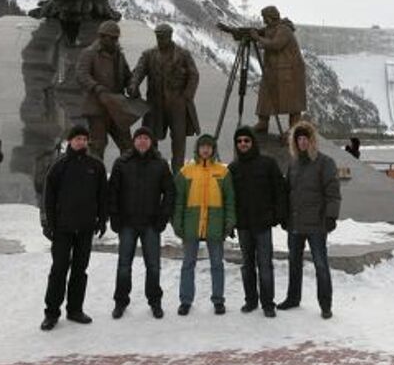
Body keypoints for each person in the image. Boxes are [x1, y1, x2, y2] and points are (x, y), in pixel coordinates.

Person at [40, 125, 108, 331]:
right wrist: (48, 224)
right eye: (78, 139)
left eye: (85, 139)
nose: (81, 142)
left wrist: (102, 220)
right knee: (59, 269)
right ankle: (51, 313)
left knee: (80, 269)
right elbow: (48, 198)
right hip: (62, 228)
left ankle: (75, 309)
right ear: (70, 141)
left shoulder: (95, 166)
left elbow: (102, 196)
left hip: (86, 227)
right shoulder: (58, 166)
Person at [108, 126, 175, 320]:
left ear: (151, 142)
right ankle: (120, 302)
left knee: (153, 266)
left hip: (151, 224)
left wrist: (163, 217)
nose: (142, 141)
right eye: (139, 138)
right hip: (127, 223)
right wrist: (114, 216)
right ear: (134, 141)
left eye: (146, 138)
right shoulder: (122, 163)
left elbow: (170, 192)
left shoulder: (161, 164)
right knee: (123, 265)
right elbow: (113, 191)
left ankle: (155, 301)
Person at [277, 121, 341, 319]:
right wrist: (284, 216)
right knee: (294, 262)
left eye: (305, 139)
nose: (302, 142)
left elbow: (333, 193)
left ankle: (325, 304)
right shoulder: (293, 164)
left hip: (316, 224)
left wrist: (331, 216)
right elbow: (288, 192)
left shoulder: (325, 163)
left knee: (320, 264)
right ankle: (293, 298)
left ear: (312, 141)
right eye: (299, 139)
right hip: (295, 224)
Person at [173, 134, 236, 316]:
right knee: (188, 264)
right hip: (191, 225)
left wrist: (229, 222)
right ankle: (185, 300)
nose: (206, 150)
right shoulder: (186, 172)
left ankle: (218, 300)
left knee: (217, 264)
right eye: (203, 146)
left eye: (209, 146)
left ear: (214, 149)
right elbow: (178, 201)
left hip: (214, 225)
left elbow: (230, 200)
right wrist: (177, 223)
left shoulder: (223, 173)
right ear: (197, 149)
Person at [228, 126, 286, 318]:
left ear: (253, 143)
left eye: (246, 140)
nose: (243, 144)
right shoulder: (233, 168)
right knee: (247, 264)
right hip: (244, 225)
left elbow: (279, 190)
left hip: (262, 223)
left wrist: (278, 215)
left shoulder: (267, 163)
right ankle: (250, 300)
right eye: (239, 141)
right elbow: (229, 198)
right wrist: (230, 222)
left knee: (265, 265)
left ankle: (268, 303)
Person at [130, 23, 200, 174]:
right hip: (155, 105)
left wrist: (187, 96)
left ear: (170, 36)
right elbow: (138, 72)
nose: (160, 40)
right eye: (158, 36)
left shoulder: (183, 54)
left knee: (179, 141)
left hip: (177, 105)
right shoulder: (148, 54)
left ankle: (178, 174)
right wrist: (134, 85)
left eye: (163, 37)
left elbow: (194, 75)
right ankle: (151, 171)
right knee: (150, 138)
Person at [75, 20, 133, 159]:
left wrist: (131, 85)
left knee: (128, 146)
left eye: (116, 38)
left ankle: (128, 178)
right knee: (97, 146)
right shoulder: (89, 53)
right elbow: (81, 75)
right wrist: (97, 87)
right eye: (112, 38)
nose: (115, 41)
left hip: (117, 107)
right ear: (102, 37)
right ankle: (95, 177)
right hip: (97, 108)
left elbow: (127, 75)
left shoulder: (119, 55)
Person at [247, 5, 306, 132]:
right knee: (266, 94)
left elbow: (275, 44)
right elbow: (261, 32)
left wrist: (257, 37)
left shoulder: (284, 29)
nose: (264, 21)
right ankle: (263, 122)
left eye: (265, 18)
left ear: (271, 17)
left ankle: (294, 128)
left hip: (290, 70)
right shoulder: (271, 28)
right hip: (274, 69)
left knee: (293, 101)